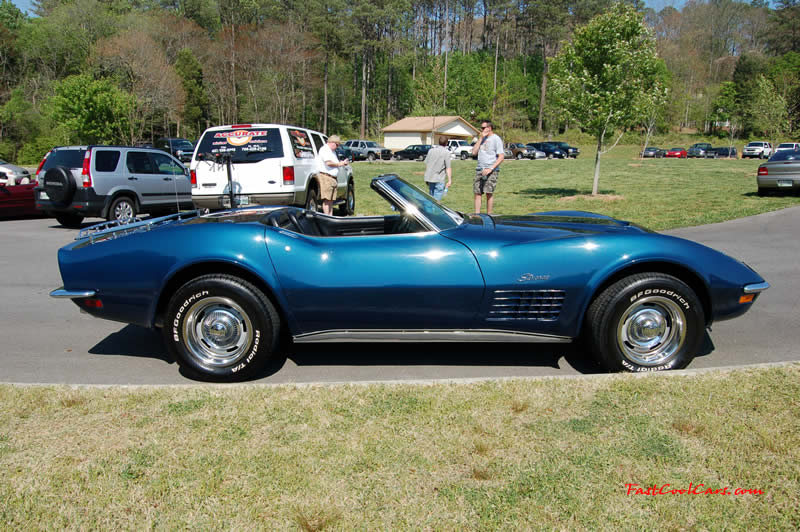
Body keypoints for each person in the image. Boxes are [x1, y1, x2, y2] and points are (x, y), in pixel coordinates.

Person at [471, 120, 504, 214]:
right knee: (477, 193)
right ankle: (477, 215)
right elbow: (474, 152)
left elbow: (501, 157)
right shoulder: (481, 139)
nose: (481, 130)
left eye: (483, 128)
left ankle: (489, 215)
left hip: (491, 170)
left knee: (489, 193)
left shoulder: (496, 139)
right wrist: (480, 139)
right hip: (479, 169)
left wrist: (491, 169)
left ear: (489, 128)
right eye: (481, 128)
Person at [315, 134, 349, 215]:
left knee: (331, 200)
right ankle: (327, 217)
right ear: (332, 142)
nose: (337, 147)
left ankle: (330, 216)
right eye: (337, 145)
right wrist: (340, 164)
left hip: (332, 178)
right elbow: (328, 163)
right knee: (327, 200)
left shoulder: (332, 151)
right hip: (326, 177)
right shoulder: (325, 150)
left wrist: (343, 163)